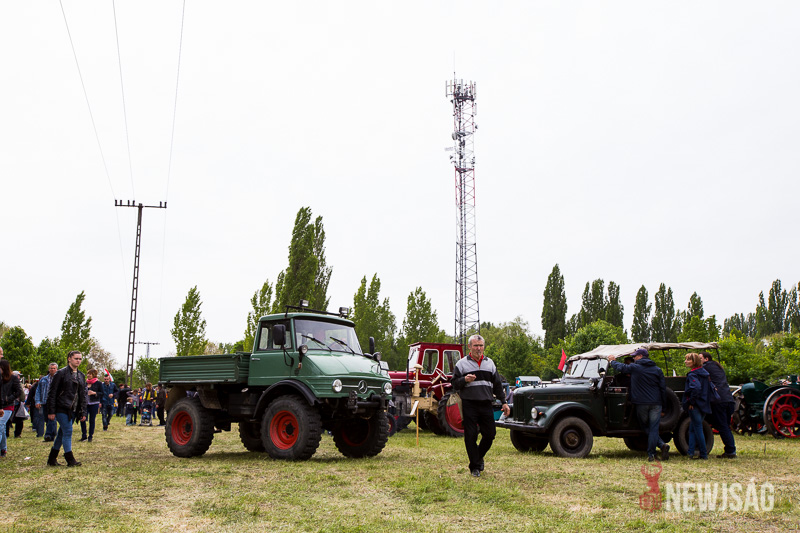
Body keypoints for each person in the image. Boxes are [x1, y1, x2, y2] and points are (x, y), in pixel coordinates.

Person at [451, 334, 510, 477]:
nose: (478, 348)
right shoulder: (461, 364)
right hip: (469, 404)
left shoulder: (490, 364)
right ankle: (475, 468)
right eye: (476, 345)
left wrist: (504, 402)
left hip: (486, 404)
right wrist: (464, 379)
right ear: (469, 347)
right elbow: (454, 384)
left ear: (484, 347)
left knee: (490, 434)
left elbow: (497, 385)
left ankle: (477, 458)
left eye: (481, 345)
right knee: (470, 436)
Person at [608, 348, 670, 462]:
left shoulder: (635, 367)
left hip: (641, 403)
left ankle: (657, 449)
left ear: (641, 356)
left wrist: (612, 361)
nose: (634, 358)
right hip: (656, 403)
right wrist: (664, 408)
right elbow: (663, 389)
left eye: (635, 356)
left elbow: (622, 368)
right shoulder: (657, 370)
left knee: (645, 426)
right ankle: (654, 452)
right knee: (653, 429)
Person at [45, 350, 88, 467]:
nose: (78, 361)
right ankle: (70, 459)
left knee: (61, 433)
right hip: (61, 407)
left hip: (73, 409)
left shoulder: (81, 375)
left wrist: (83, 411)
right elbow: (52, 393)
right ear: (69, 359)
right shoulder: (61, 373)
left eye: (80, 359)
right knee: (68, 431)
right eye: (76, 358)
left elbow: (82, 395)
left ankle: (52, 459)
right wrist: (51, 410)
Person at [701, 352, 737, 458]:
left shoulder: (706, 367)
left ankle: (730, 450)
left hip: (719, 400)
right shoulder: (718, 367)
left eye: (700, 358)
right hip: (728, 399)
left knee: (722, 426)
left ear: (706, 359)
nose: (699, 360)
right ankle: (730, 449)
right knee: (725, 426)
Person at [682, 352, 712, 460]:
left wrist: (691, 402)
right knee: (693, 428)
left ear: (694, 362)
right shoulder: (705, 373)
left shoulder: (693, 374)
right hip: (704, 404)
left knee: (698, 428)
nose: (685, 361)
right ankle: (690, 452)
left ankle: (703, 453)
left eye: (688, 360)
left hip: (695, 405)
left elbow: (696, 388)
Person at [1, 360, 24, 458]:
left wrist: (8, 399)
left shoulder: (13, 378)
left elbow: (19, 391)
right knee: (2, 428)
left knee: (0, 425)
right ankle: (3, 449)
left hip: (8, 406)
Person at [35, 363, 59, 441]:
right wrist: (37, 401)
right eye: (51, 368)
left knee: (52, 418)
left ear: (57, 369)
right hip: (44, 401)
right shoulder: (43, 380)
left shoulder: (59, 379)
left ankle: (48, 434)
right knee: (47, 419)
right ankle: (53, 434)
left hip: (55, 402)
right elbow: (38, 391)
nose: (52, 370)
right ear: (49, 369)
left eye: (54, 368)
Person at [80, 369, 103, 442]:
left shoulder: (98, 383)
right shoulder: (85, 383)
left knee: (92, 420)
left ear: (94, 375)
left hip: (94, 403)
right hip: (85, 403)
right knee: (82, 419)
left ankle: (90, 436)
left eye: (90, 374)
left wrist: (94, 393)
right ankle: (84, 435)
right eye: (88, 374)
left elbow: (102, 393)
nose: (88, 375)